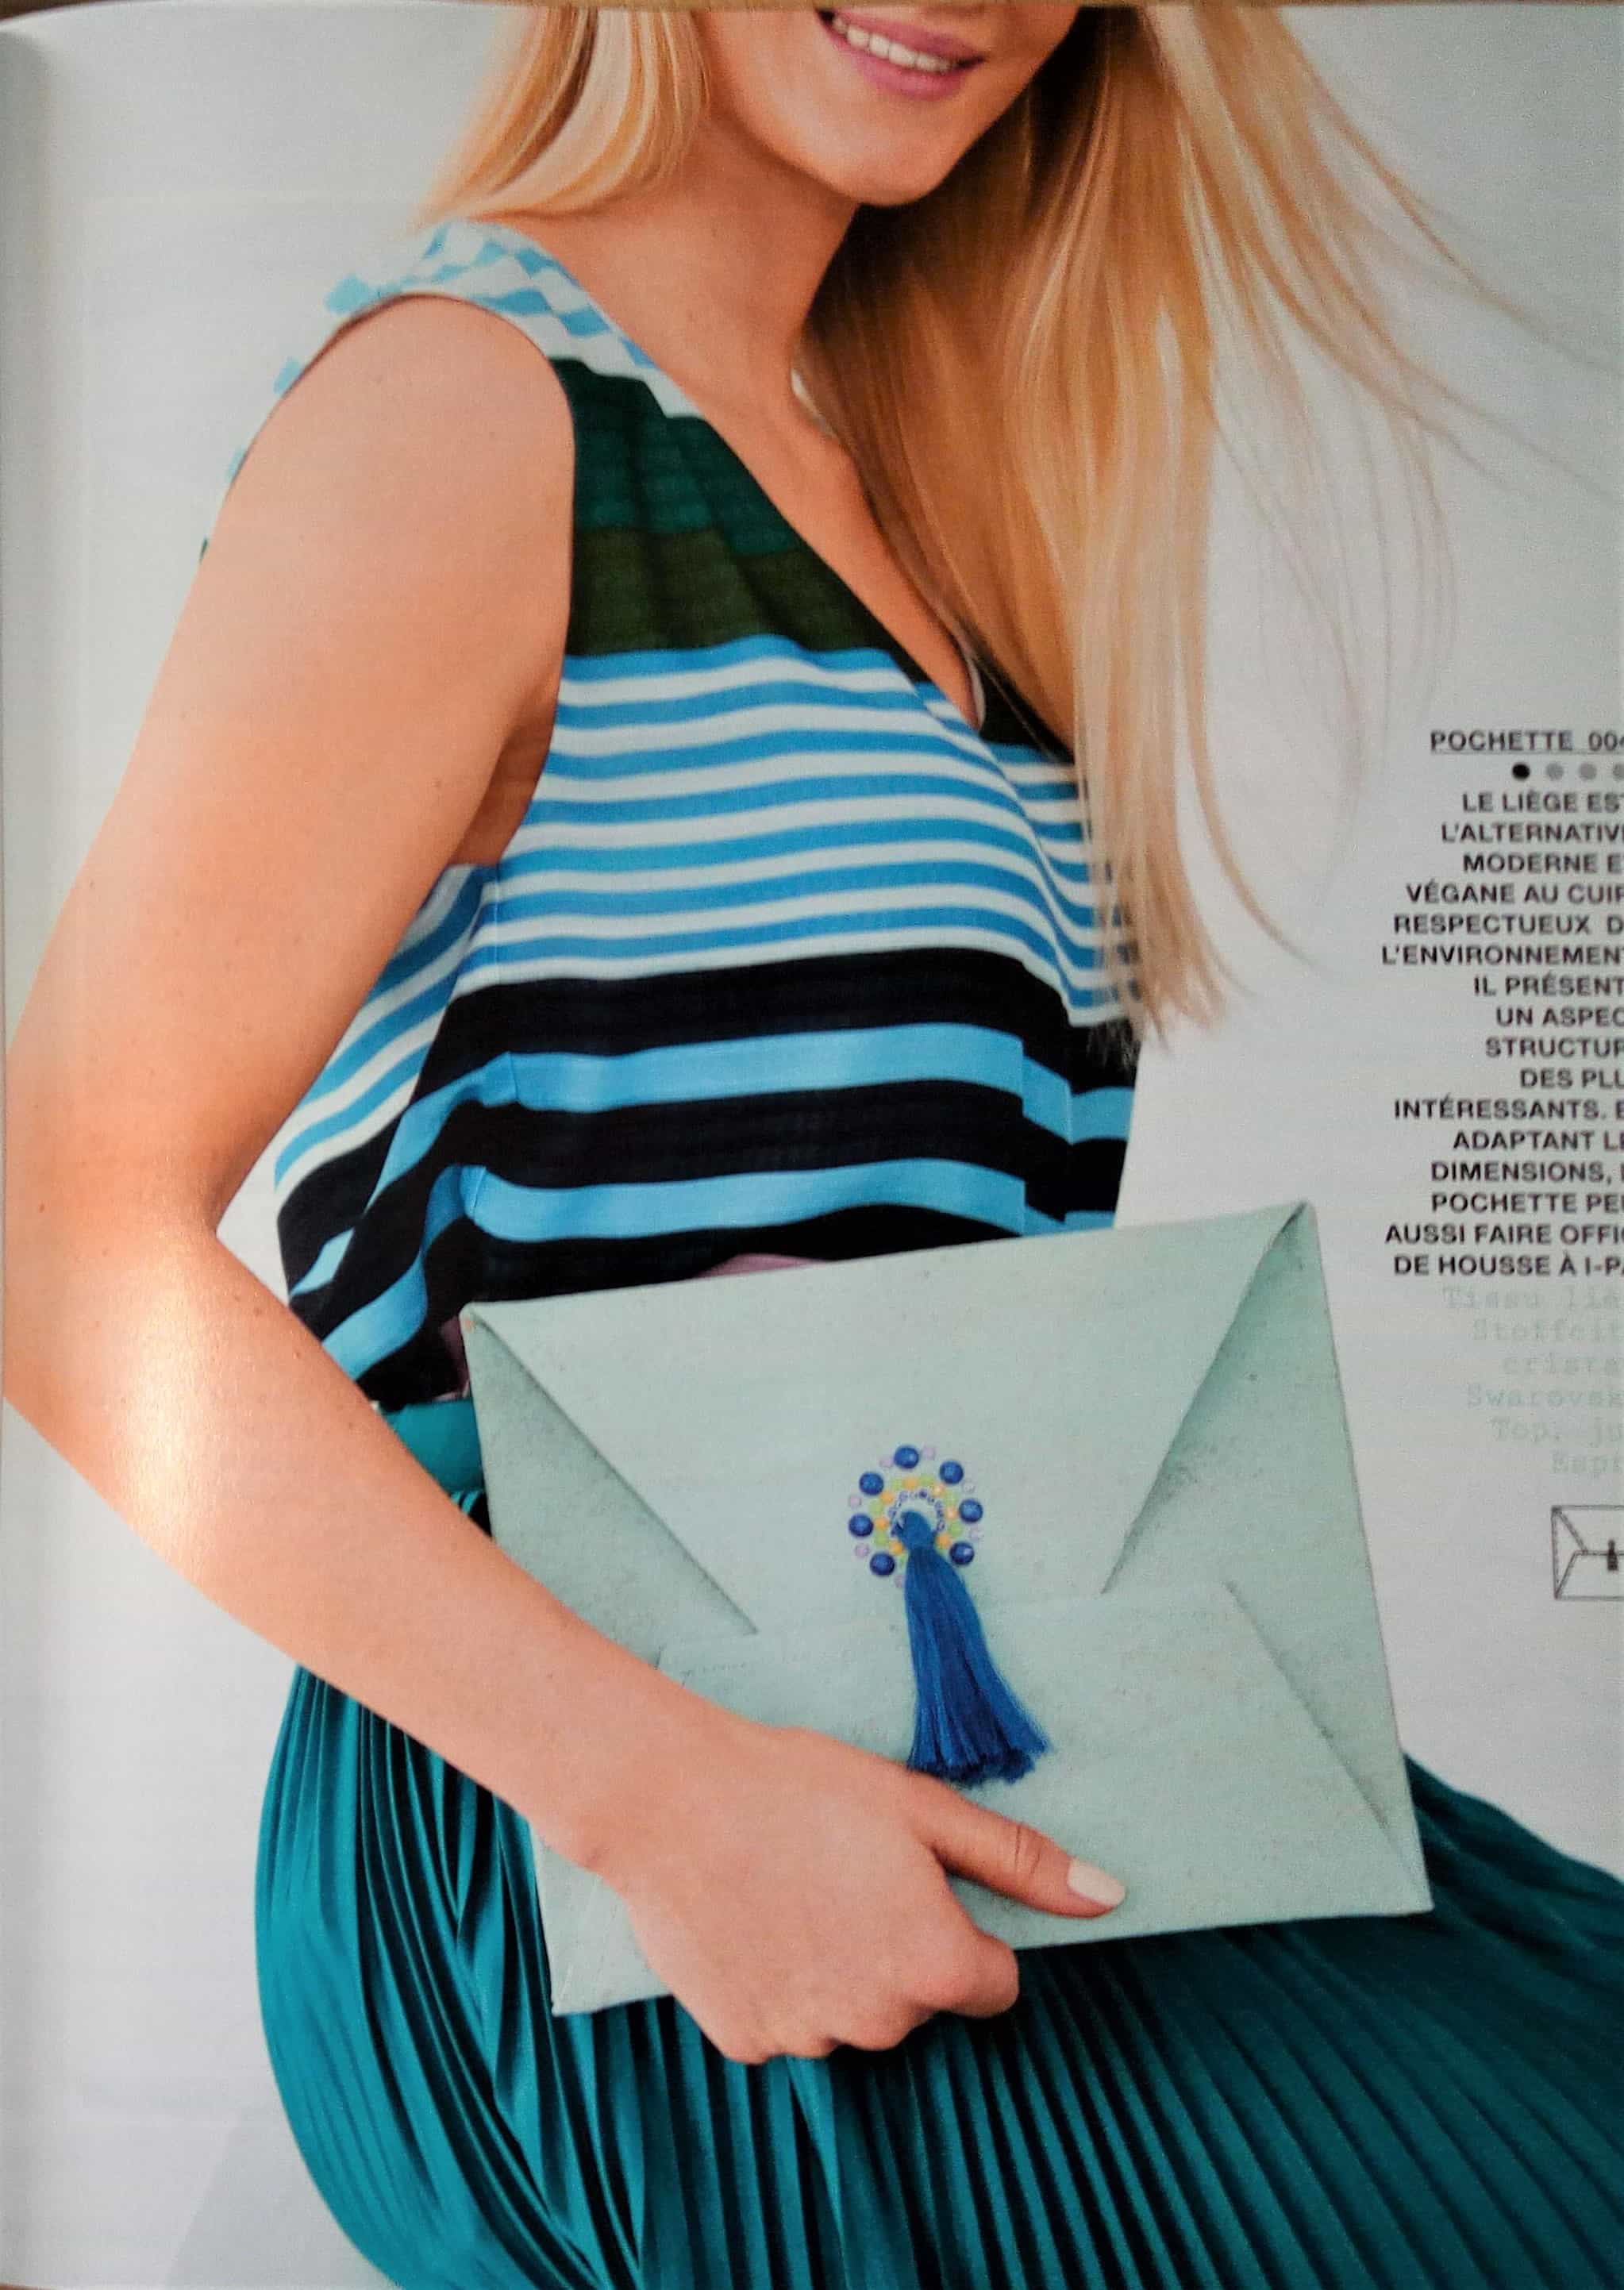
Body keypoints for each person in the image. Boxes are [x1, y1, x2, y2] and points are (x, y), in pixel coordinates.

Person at [6, 6, 1622, 2285]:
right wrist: (659, 1796)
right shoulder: (470, 410)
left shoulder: (934, 525)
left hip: (1001, 1759)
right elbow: (53, 1230)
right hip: (591, 1862)